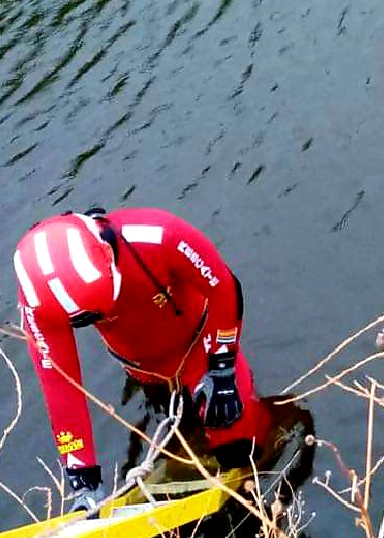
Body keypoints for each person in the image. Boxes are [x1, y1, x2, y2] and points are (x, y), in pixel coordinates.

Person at [11, 206, 270, 514]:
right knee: (176, 414)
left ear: (106, 252)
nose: (102, 317)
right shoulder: (39, 301)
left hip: (201, 347)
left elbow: (224, 288)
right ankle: (186, 438)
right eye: (88, 319)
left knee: (240, 447)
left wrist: (222, 369)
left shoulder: (160, 236)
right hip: (144, 368)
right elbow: (60, 386)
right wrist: (82, 477)